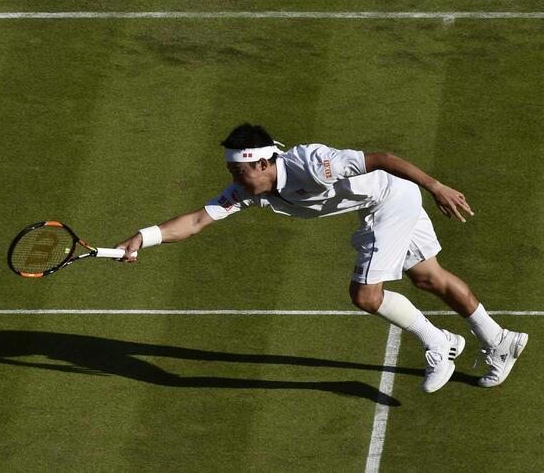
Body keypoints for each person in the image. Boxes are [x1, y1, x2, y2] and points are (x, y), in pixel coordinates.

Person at [115, 123, 528, 393]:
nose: (233, 181)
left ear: (261, 163)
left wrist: (436, 186)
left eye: (238, 173)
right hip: (378, 203)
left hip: (390, 197)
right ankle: (499, 341)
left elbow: (382, 160)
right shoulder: (247, 190)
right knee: (428, 277)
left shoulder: (314, 163)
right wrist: (143, 237)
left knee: (365, 295)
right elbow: (196, 221)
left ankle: (440, 343)